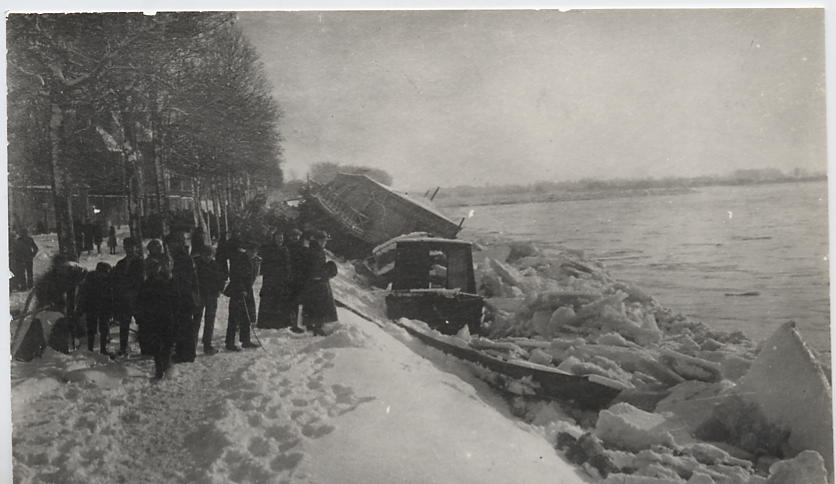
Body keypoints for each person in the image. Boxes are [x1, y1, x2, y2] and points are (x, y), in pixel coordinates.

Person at [135, 257, 178, 380]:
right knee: (166, 343)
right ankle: (165, 367)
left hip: (155, 318)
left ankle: (161, 368)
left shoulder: (147, 284)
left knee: (159, 345)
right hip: (163, 317)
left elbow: (140, 302)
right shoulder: (164, 281)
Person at [167, 231, 200, 363]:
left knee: (185, 326)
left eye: (172, 244)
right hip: (181, 296)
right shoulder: (178, 257)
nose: (170, 247)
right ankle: (182, 352)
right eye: (169, 244)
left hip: (184, 297)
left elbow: (186, 280)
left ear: (179, 244)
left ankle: (187, 354)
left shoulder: (183, 258)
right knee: (181, 326)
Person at [224, 238, 261, 351]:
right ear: (247, 250)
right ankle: (229, 343)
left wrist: (247, 290)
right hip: (237, 291)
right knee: (234, 318)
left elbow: (253, 277)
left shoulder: (254, 261)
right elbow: (234, 276)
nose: (253, 253)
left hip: (247, 291)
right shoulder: (239, 260)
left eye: (255, 251)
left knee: (247, 316)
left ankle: (246, 341)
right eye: (251, 251)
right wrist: (241, 289)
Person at [300, 230, 338, 336]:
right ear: (318, 240)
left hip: (315, 280)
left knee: (312, 304)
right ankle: (317, 327)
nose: (324, 242)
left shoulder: (317, 249)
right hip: (316, 280)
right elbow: (312, 266)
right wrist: (321, 274)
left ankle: (311, 325)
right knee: (320, 305)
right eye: (323, 240)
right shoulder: (315, 251)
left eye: (325, 240)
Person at [113, 237, 145, 356]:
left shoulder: (141, 263)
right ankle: (123, 348)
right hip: (124, 299)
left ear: (136, 248)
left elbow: (140, 280)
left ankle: (144, 348)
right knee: (124, 324)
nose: (129, 249)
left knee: (141, 324)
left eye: (132, 247)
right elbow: (116, 280)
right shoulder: (121, 264)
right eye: (127, 247)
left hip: (137, 298)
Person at [193, 245, 226, 355]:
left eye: (210, 255)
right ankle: (192, 345)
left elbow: (221, 279)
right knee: (196, 320)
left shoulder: (215, 265)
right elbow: (192, 280)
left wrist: (219, 289)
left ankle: (207, 345)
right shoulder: (196, 265)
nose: (207, 257)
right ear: (201, 254)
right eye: (205, 254)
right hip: (199, 296)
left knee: (209, 321)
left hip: (211, 296)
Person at [257, 231, 292, 329]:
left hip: (281, 279)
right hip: (270, 279)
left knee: (280, 299)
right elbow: (265, 263)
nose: (280, 240)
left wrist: (287, 275)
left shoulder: (285, 249)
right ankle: (265, 323)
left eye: (281, 238)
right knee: (268, 299)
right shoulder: (269, 249)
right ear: (274, 238)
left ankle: (279, 323)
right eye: (278, 237)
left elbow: (288, 264)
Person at [78, 262, 113, 354]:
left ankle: (99, 348)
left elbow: (112, 295)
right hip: (95, 307)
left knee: (100, 329)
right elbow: (83, 295)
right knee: (95, 329)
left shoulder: (107, 281)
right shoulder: (92, 280)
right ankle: (95, 349)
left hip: (99, 307)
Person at [284, 228, 306, 327]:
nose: (295, 238)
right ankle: (286, 321)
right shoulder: (286, 247)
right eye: (293, 236)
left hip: (297, 278)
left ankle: (293, 323)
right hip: (288, 277)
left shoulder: (302, 248)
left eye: (297, 236)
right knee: (286, 299)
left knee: (295, 301)